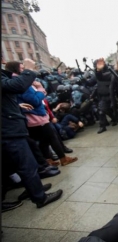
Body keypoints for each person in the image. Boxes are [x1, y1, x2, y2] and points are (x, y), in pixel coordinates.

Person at [2, 57, 63, 209]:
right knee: (27, 165)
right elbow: (18, 86)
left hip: (10, 128)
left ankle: (33, 190)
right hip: (9, 130)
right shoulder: (18, 79)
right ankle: (39, 197)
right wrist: (29, 69)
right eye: (22, 69)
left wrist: (18, 106)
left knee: (22, 162)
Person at [94, 58, 118, 134]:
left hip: (112, 95)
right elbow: (91, 83)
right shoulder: (97, 74)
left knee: (115, 109)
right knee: (101, 111)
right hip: (102, 96)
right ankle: (102, 126)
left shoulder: (110, 71)